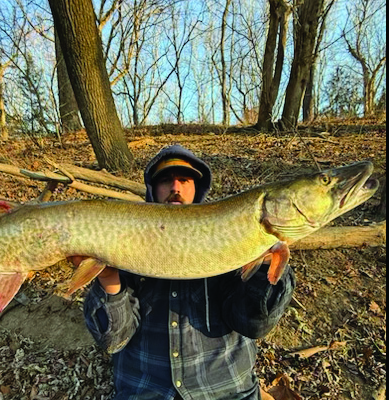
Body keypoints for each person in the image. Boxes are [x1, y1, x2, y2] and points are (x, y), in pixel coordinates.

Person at [76, 144, 295, 400]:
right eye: (166, 180)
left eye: (184, 179)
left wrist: (265, 270)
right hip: (145, 392)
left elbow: (253, 323)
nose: (175, 188)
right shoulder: (123, 239)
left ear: (197, 187)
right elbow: (114, 339)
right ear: (152, 190)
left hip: (226, 392)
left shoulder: (233, 234)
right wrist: (107, 277)